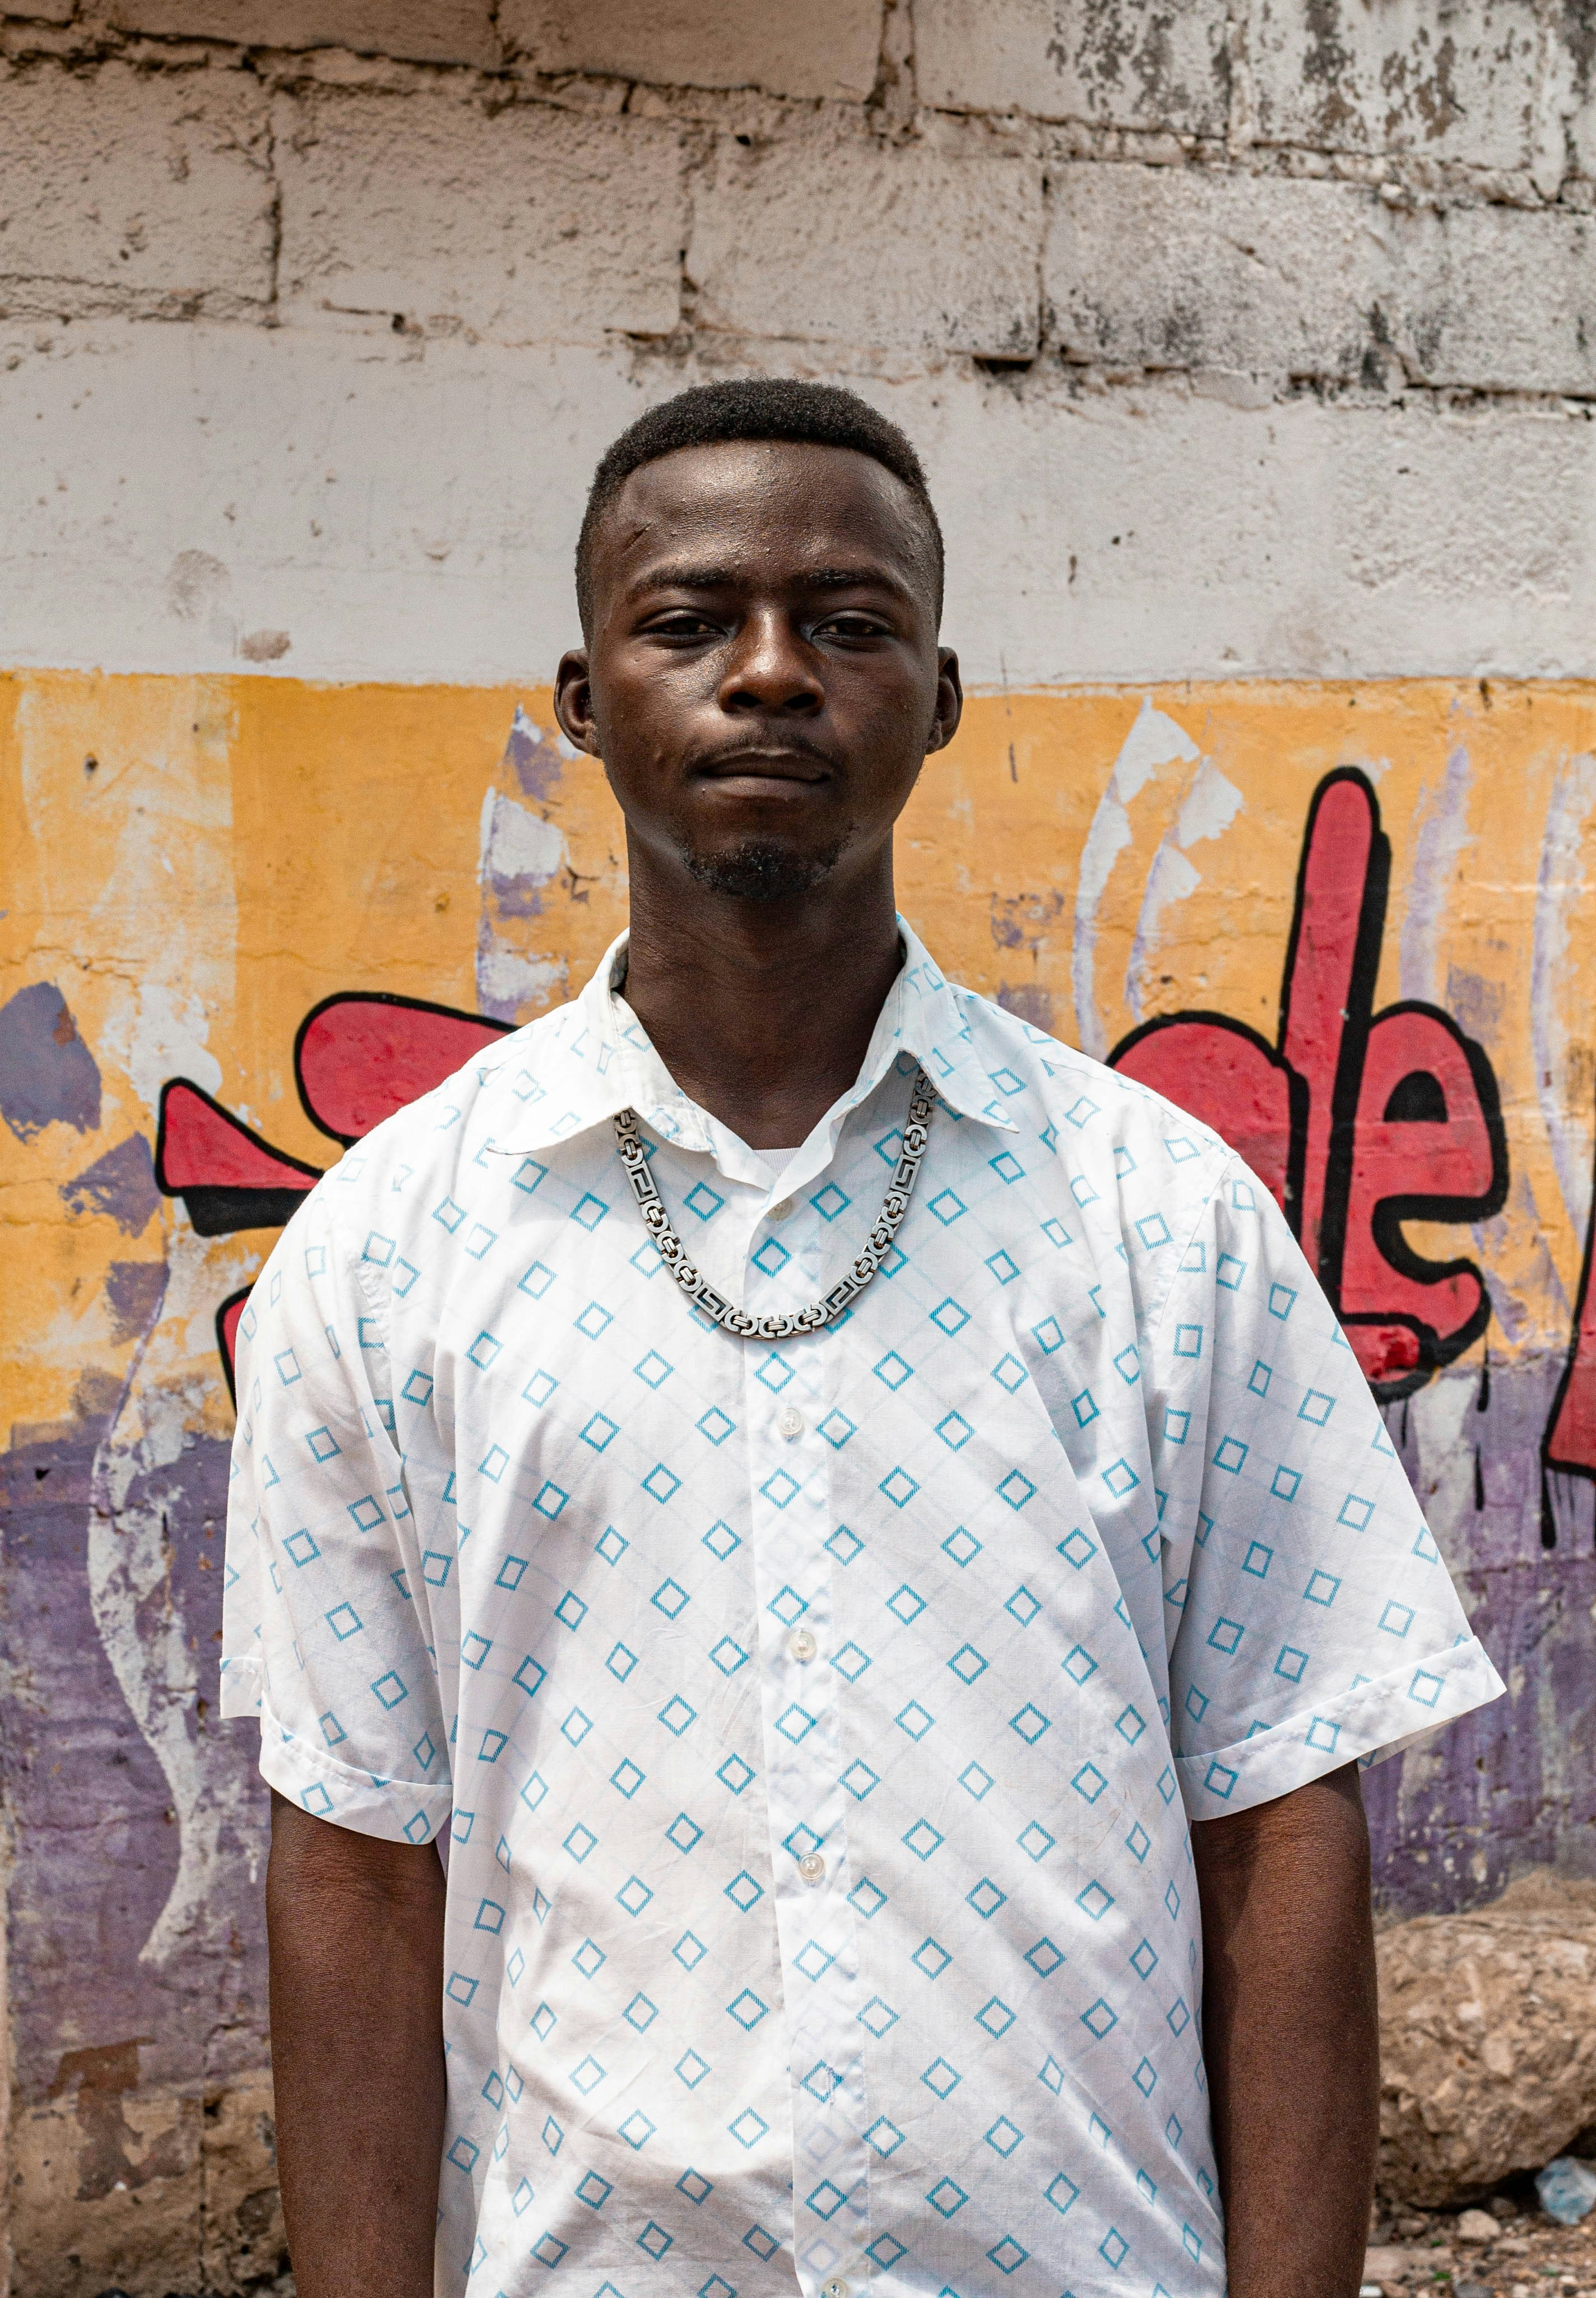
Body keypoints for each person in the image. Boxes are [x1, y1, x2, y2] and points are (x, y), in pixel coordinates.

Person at [224, 379, 1503, 2298]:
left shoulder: (1160, 1220)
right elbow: (354, 1864)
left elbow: (1282, 1817)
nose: (767, 675)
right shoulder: (392, 1250)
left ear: (941, 691)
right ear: (583, 699)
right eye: (687, 621)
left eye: (846, 622)